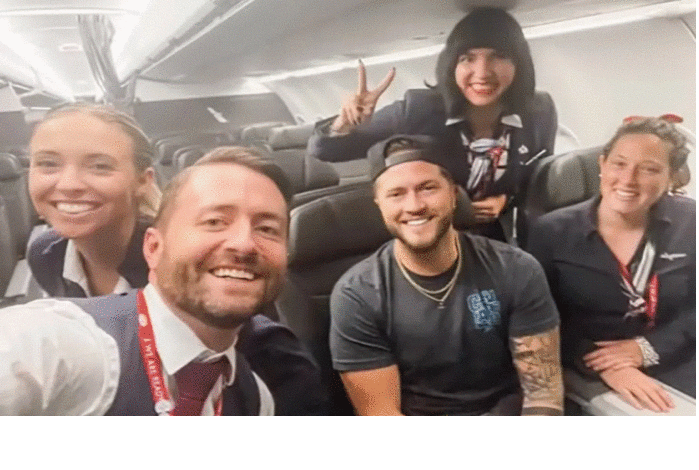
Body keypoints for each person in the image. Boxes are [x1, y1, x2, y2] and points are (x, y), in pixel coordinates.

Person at [0, 147, 327, 415]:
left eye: (267, 229)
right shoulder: (54, 345)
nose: (244, 244)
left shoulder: (257, 398)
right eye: (214, 221)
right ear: (154, 248)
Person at [329, 135, 563, 416]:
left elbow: (543, 393)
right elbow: (381, 411)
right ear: (379, 203)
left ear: (454, 195)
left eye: (428, 188)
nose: (414, 206)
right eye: (396, 194)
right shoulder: (358, 294)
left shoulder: (516, 268)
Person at [308, 7, 557, 241]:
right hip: (429, 240)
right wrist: (345, 123)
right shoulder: (418, 109)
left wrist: (506, 199)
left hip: (499, 241)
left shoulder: (539, 111)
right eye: (467, 59)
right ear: (451, 66)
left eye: (498, 56)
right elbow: (326, 150)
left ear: (519, 64)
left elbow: (537, 177)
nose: (482, 72)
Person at [528, 116, 696, 413]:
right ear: (602, 165)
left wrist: (648, 349)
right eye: (619, 164)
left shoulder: (690, 222)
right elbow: (537, 317)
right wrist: (601, 364)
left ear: (672, 177)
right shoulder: (552, 231)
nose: (628, 180)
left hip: (676, 354)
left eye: (649, 169)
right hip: (591, 363)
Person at [26, 102, 161, 297]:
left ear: (142, 182)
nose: (68, 185)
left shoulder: (177, 262)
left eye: (100, 166)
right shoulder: (45, 255)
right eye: (48, 163)